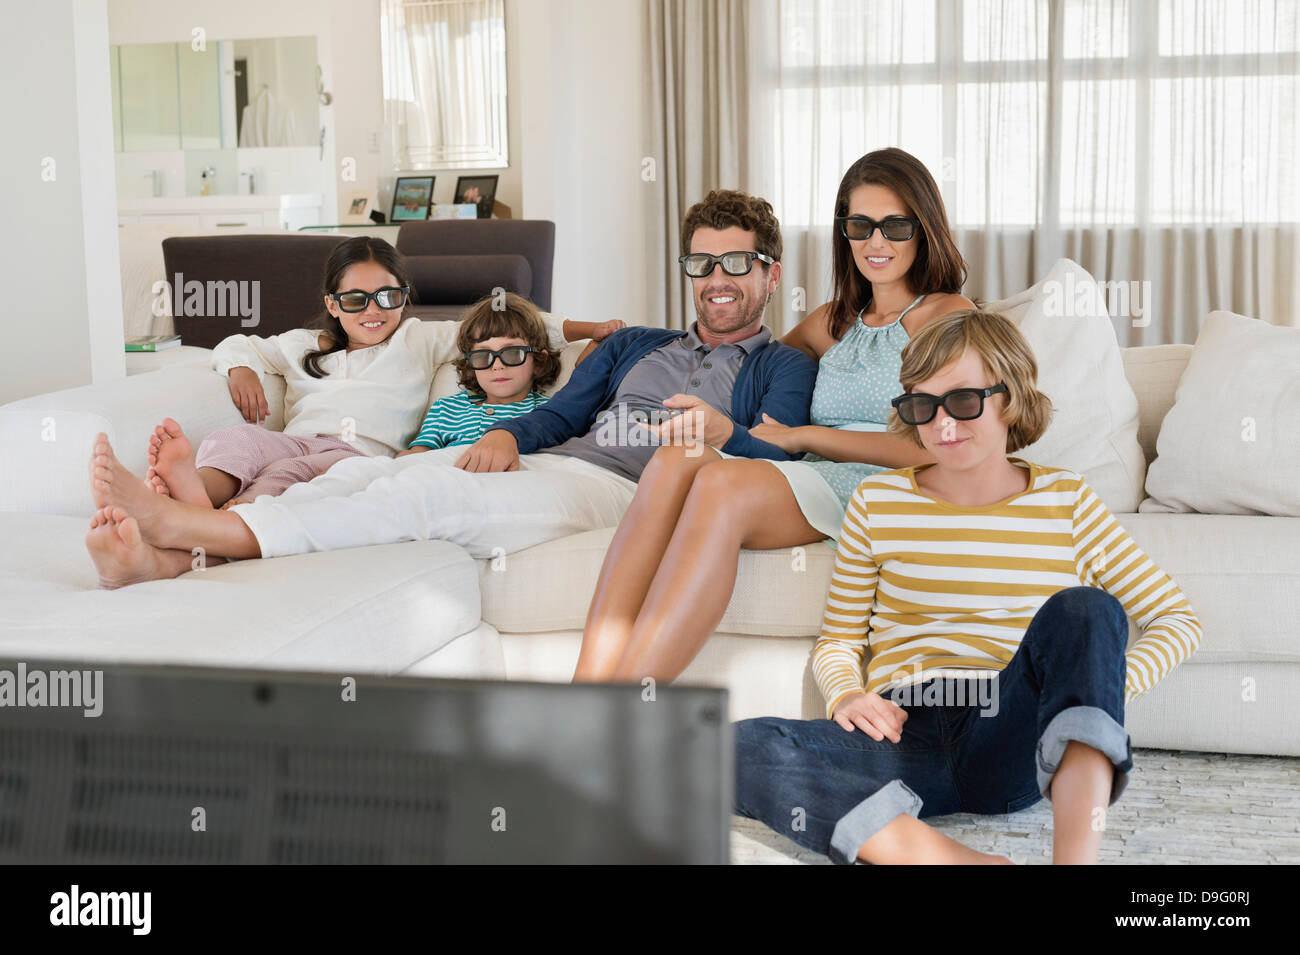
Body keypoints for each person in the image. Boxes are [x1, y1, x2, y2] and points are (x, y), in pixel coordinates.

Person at [83, 190, 818, 589]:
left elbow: (778, 466)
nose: (717, 280)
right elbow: (560, 412)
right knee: (374, 469)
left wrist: (726, 437)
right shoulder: (635, 345)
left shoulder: (781, 365)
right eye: (703, 264)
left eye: (738, 263)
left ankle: (189, 527)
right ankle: (172, 562)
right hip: (556, 458)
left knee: (430, 499)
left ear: (770, 273)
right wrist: (502, 433)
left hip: (624, 492)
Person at [733, 309, 1202, 865]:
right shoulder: (877, 503)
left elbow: (1178, 621)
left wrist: (1095, 686)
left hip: (1008, 731)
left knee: (1087, 609)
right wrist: (847, 695)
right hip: (901, 734)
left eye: (962, 400)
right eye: (922, 406)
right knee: (732, 747)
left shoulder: (1068, 500)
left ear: (1010, 397)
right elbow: (838, 640)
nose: (942, 425)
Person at [574, 147, 974, 682]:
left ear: (922, 229)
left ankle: (622, 710)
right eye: (860, 226)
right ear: (844, 234)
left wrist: (802, 435)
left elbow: (937, 446)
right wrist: (611, 355)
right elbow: (739, 354)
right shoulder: (829, 322)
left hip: (888, 481)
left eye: (894, 226)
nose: (876, 242)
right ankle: (585, 694)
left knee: (721, 487)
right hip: (807, 473)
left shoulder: (946, 314)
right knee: (677, 458)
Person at [142, 236, 616, 510]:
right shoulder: (301, 346)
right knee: (236, 441)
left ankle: (220, 523)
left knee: (286, 475)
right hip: (296, 436)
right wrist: (241, 367)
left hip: (355, 454)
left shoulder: (417, 339)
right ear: (332, 304)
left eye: (387, 297)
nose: (373, 311)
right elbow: (235, 343)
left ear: (404, 296)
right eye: (355, 300)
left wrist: (591, 327)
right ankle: (195, 492)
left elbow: (512, 329)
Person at [398, 292, 560, 456]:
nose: (497, 366)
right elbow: (417, 456)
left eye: (512, 353)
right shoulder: (445, 409)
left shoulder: (549, 412)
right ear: (470, 366)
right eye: (483, 356)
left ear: (538, 363)